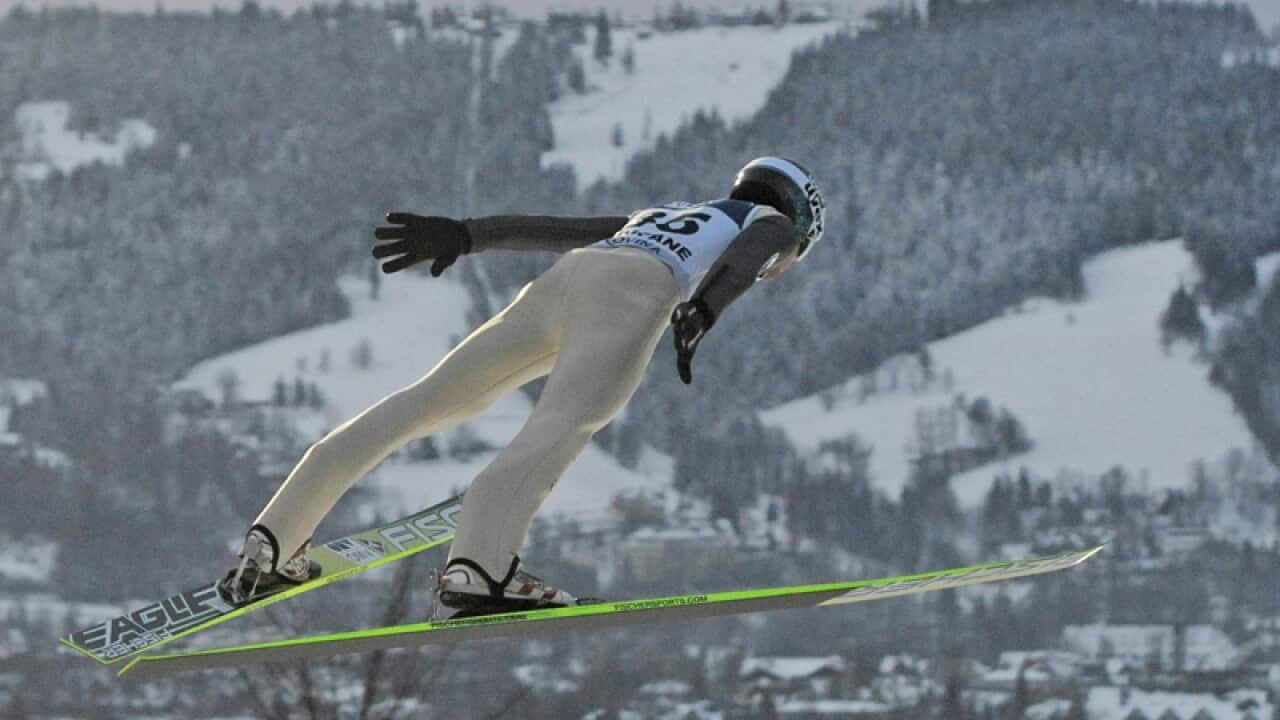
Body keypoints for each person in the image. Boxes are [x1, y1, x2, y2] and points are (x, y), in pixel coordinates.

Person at [220, 156, 826, 616]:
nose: (787, 262)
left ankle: (275, 538)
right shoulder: (774, 225)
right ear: (797, 216)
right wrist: (706, 311)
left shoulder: (662, 214)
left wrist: (465, 234)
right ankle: (480, 568)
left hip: (562, 283)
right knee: (559, 427)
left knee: (425, 402)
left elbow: (557, 229)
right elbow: (748, 258)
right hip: (631, 295)